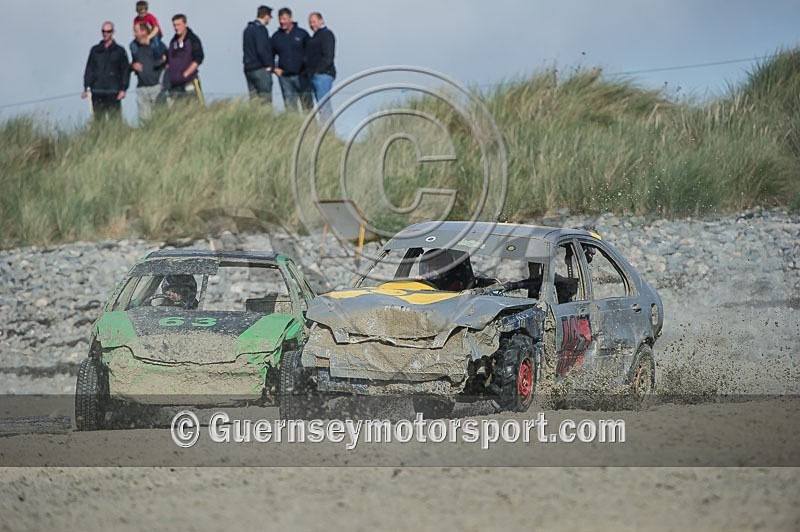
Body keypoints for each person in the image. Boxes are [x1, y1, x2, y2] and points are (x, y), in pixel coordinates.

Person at [82, 22, 130, 121]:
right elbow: (89, 69)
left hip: (113, 91)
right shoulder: (95, 50)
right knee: (98, 121)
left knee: (115, 121)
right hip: (97, 91)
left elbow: (125, 70)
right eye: (103, 31)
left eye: (108, 31)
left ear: (113, 32)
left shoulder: (119, 50)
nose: (105, 34)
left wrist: (123, 89)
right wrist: (86, 87)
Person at [272, 7, 312, 112]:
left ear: (290, 18)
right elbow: (269, 54)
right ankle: (294, 128)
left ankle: (311, 128)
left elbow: (311, 53)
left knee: (307, 106)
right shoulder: (276, 37)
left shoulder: (302, 34)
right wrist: (274, 68)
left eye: (284, 19)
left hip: (302, 76)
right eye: (280, 19)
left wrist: (307, 69)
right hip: (285, 78)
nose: (282, 22)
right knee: (290, 108)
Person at [130, 22, 166, 121]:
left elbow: (167, 61)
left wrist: (163, 61)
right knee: (144, 120)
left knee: (160, 118)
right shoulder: (135, 48)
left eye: (136, 31)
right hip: (141, 88)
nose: (134, 34)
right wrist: (133, 66)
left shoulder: (158, 45)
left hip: (157, 87)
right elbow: (132, 63)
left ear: (144, 32)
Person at [166, 14, 205, 104]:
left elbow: (199, 58)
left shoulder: (193, 39)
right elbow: (169, 60)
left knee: (196, 108)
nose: (176, 28)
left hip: (189, 81)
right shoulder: (173, 42)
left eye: (178, 25)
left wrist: (186, 74)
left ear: (185, 24)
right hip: (175, 85)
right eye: (174, 25)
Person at [305, 11, 336, 121]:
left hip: (323, 75)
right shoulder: (314, 37)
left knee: (324, 105)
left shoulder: (326, 34)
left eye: (314, 21)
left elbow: (329, 56)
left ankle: (327, 132)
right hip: (313, 75)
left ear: (321, 20)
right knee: (319, 105)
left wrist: (318, 71)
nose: (312, 24)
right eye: (310, 22)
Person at [242, 5, 275, 103]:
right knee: (265, 100)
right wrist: (270, 65)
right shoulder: (261, 29)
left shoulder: (247, 29)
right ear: (266, 16)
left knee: (254, 101)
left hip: (249, 68)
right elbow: (262, 49)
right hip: (260, 69)